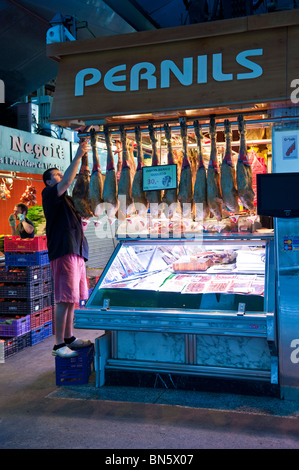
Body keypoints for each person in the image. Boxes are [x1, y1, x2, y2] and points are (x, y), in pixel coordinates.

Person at [42, 139, 91, 358]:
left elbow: (76, 221)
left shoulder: (68, 201)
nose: (62, 177)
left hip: (77, 252)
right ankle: (58, 345)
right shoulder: (50, 195)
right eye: (57, 175)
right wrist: (79, 155)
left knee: (73, 298)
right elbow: (68, 179)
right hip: (64, 252)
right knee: (63, 298)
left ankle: (69, 337)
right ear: (48, 183)